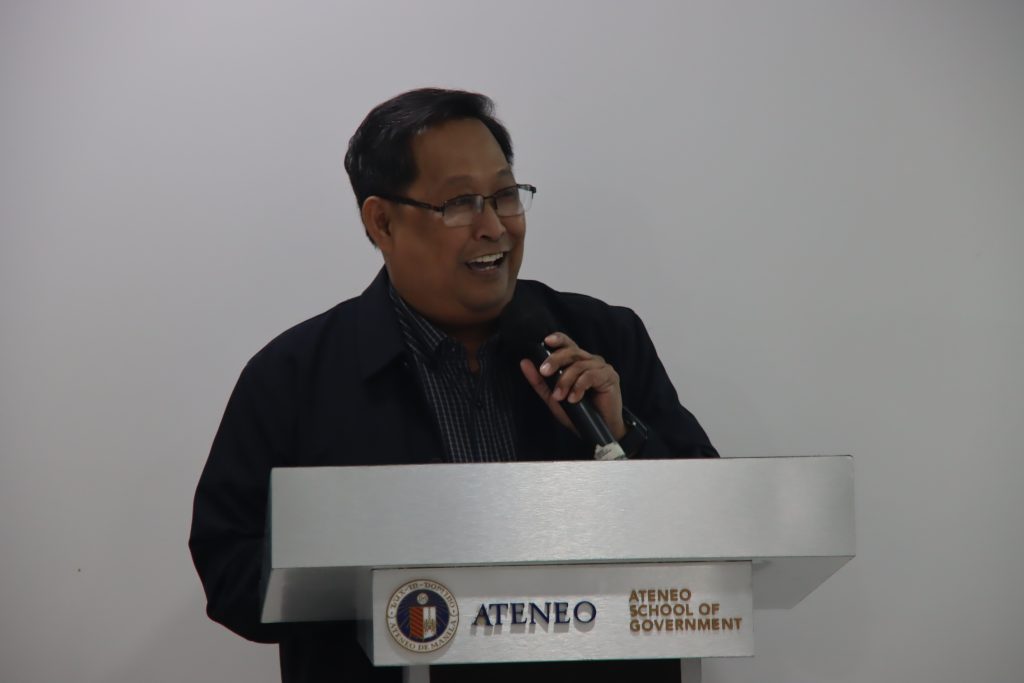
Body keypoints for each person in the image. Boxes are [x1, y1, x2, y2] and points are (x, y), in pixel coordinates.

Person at [189, 88, 717, 683]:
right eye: (460, 203)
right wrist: (363, 568)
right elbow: (228, 567)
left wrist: (623, 434)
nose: (494, 227)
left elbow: (717, 530)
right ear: (382, 221)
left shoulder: (605, 338)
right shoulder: (294, 376)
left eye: (505, 195)